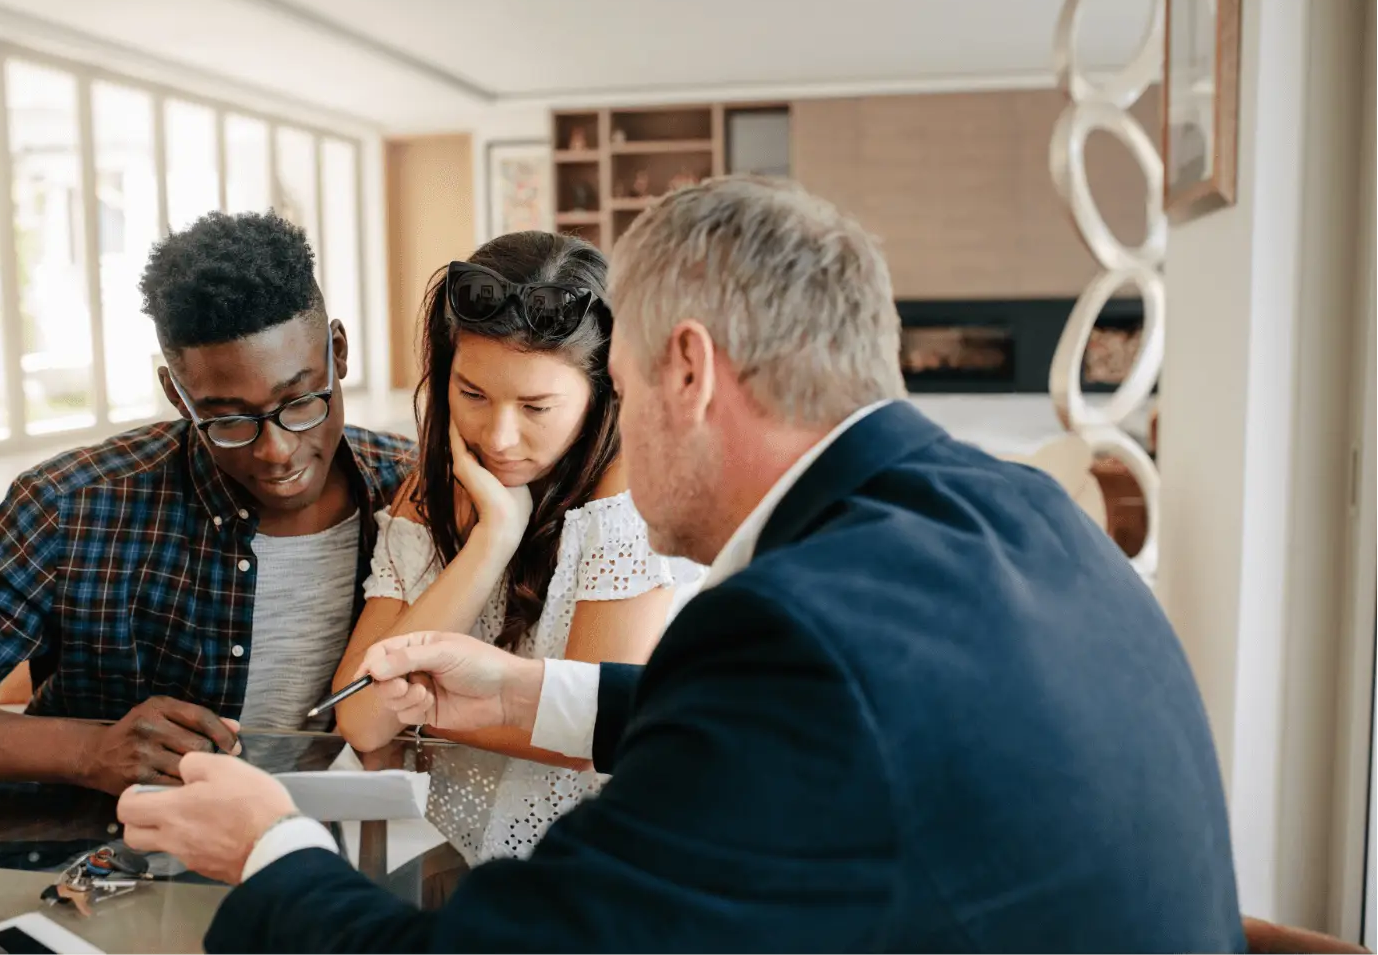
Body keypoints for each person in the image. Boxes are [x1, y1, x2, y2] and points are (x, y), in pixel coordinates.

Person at [118, 177, 1245, 953]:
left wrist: (271, 850)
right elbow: (818, 730)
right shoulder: (1014, 507)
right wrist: (525, 691)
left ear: (687, 371)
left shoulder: (797, 628)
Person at [0, 211, 411, 795]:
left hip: (332, 860)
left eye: (301, 400)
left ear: (338, 353)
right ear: (177, 396)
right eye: (228, 419)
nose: (277, 450)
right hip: (99, 862)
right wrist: (89, 751)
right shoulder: (74, 505)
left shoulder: (416, 493)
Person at [333, 230, 701, 871]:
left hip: (589, 866)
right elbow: (361, 720)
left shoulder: (633, 490)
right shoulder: (436, 488)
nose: (499, 437)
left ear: (604, 394)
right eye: (471, 393)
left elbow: (587, 728)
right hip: (444, 855)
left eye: (536, 406)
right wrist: (493, 538)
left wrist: (417, 715)